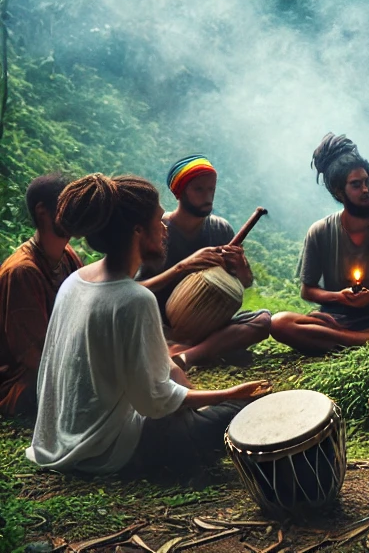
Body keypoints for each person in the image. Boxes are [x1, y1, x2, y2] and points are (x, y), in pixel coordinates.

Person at [27, 173, 270, 475]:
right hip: (112, 450)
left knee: (201, 396)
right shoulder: (133, 299)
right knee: (253, 406)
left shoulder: (76, 281)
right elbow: (158, 401)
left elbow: (162, 372)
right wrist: (229, 395)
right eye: (159, 220)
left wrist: (196, 397)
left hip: (62, 442)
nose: (165, 228)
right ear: (138, 231)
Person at [270, 135, 369, 352]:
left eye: (367, 182)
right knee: (279, 323)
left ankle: (346, 341)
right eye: (356, 185)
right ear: (340, 191)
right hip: (333, 319)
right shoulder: (320, 231)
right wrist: (339, 297)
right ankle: (366, 341)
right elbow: (308, 291)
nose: (365, 189)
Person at [137, 155, 271, 369]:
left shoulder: (221, 229)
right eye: (199, 189)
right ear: (179, 192)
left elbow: (245, 282)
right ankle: (200, 351)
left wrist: (241, 266)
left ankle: (187, 356)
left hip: (209, 325)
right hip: (162, 325)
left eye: (211, 190)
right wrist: (183, 267)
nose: (208, 197)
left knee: (263, 321)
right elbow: (130, 290)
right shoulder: (157, 230)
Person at [0, 173, 80, 417]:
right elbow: (35, 357)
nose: (77, 214)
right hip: (22, 382)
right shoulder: (22, 271)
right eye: (69, 206)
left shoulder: (67, 255)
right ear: (43, 211)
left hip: (61, 363)